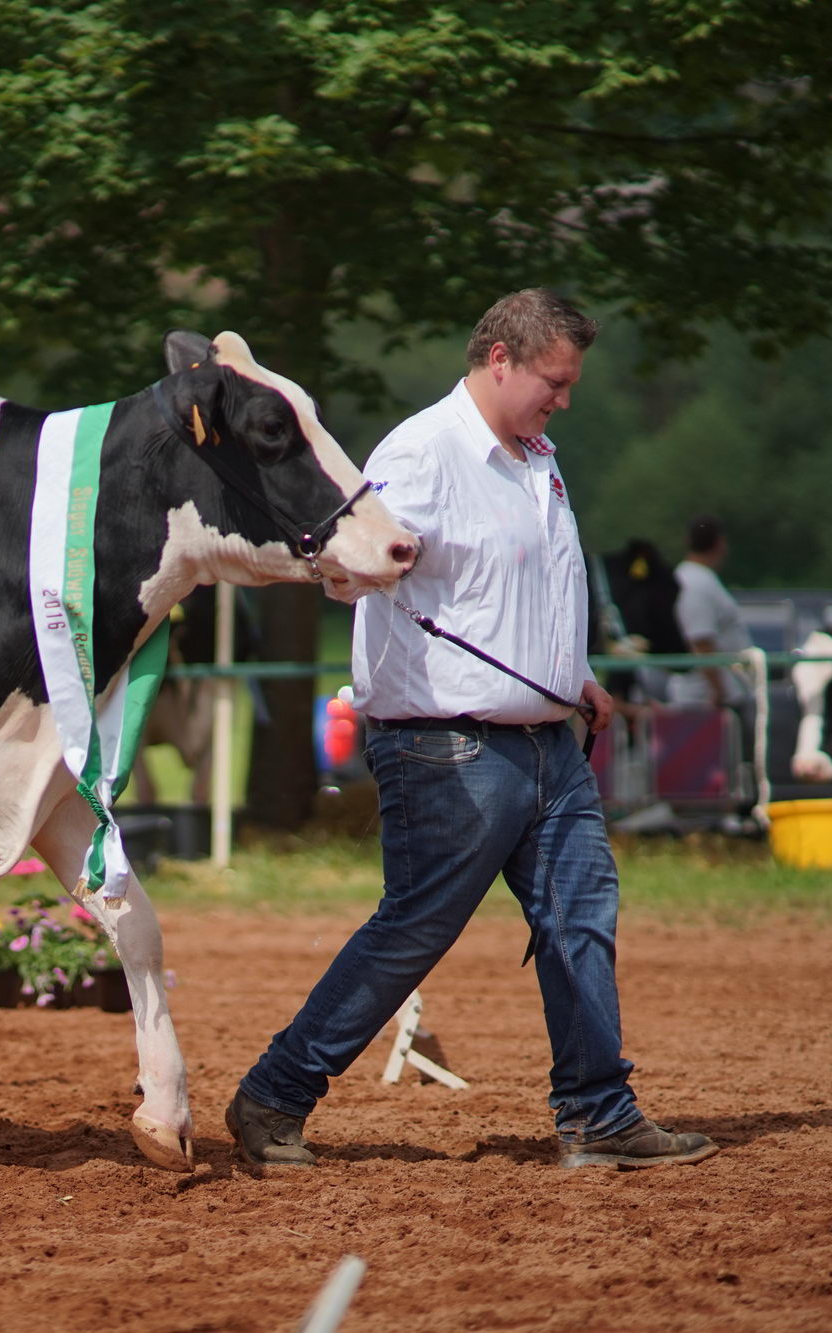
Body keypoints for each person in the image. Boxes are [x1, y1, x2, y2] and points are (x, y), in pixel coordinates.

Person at [226, 289, 718, 1172]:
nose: (563, 398)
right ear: (500, 359)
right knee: (414, 928)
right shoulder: (420, 453)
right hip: (443, 742)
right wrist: (364, 571)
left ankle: (598, 1113)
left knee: (581, 918)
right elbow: (346, 561)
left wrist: (578, 677)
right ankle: (272, 1097)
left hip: (548, 743)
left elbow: (525, 589)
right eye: (553, 381)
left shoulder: (537, 457)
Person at [671, 515, 752, 709]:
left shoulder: (696, 578)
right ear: (719, 543)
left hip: (713, 695)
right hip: (704, 699)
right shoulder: (694, 582)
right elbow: (701, 640)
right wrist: (718, 689)